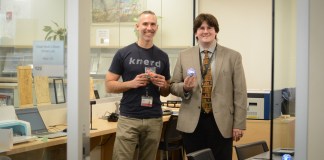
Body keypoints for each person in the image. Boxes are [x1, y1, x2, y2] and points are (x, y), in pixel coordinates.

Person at [170, 13, 247, 160]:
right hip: (192, 123)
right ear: (196, 33)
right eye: (201, 28)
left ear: (216, 31)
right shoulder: (184, 55)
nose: (205, 31)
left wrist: (239, 124)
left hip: (222, 123)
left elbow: (240, 92)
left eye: (209, 27)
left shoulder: (233, 56)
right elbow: (173, 85)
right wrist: (185, 88)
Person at [105, 10, 171, 160]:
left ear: (157, 27)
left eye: (152, 24)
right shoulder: (124, 53)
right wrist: (131, 83)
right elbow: (108, 85)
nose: (149, 28)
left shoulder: (163, 56)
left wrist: (163, 84)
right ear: (137, 26)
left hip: (154, 118)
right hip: (129, 118)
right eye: (145, 24)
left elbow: (166, 91)